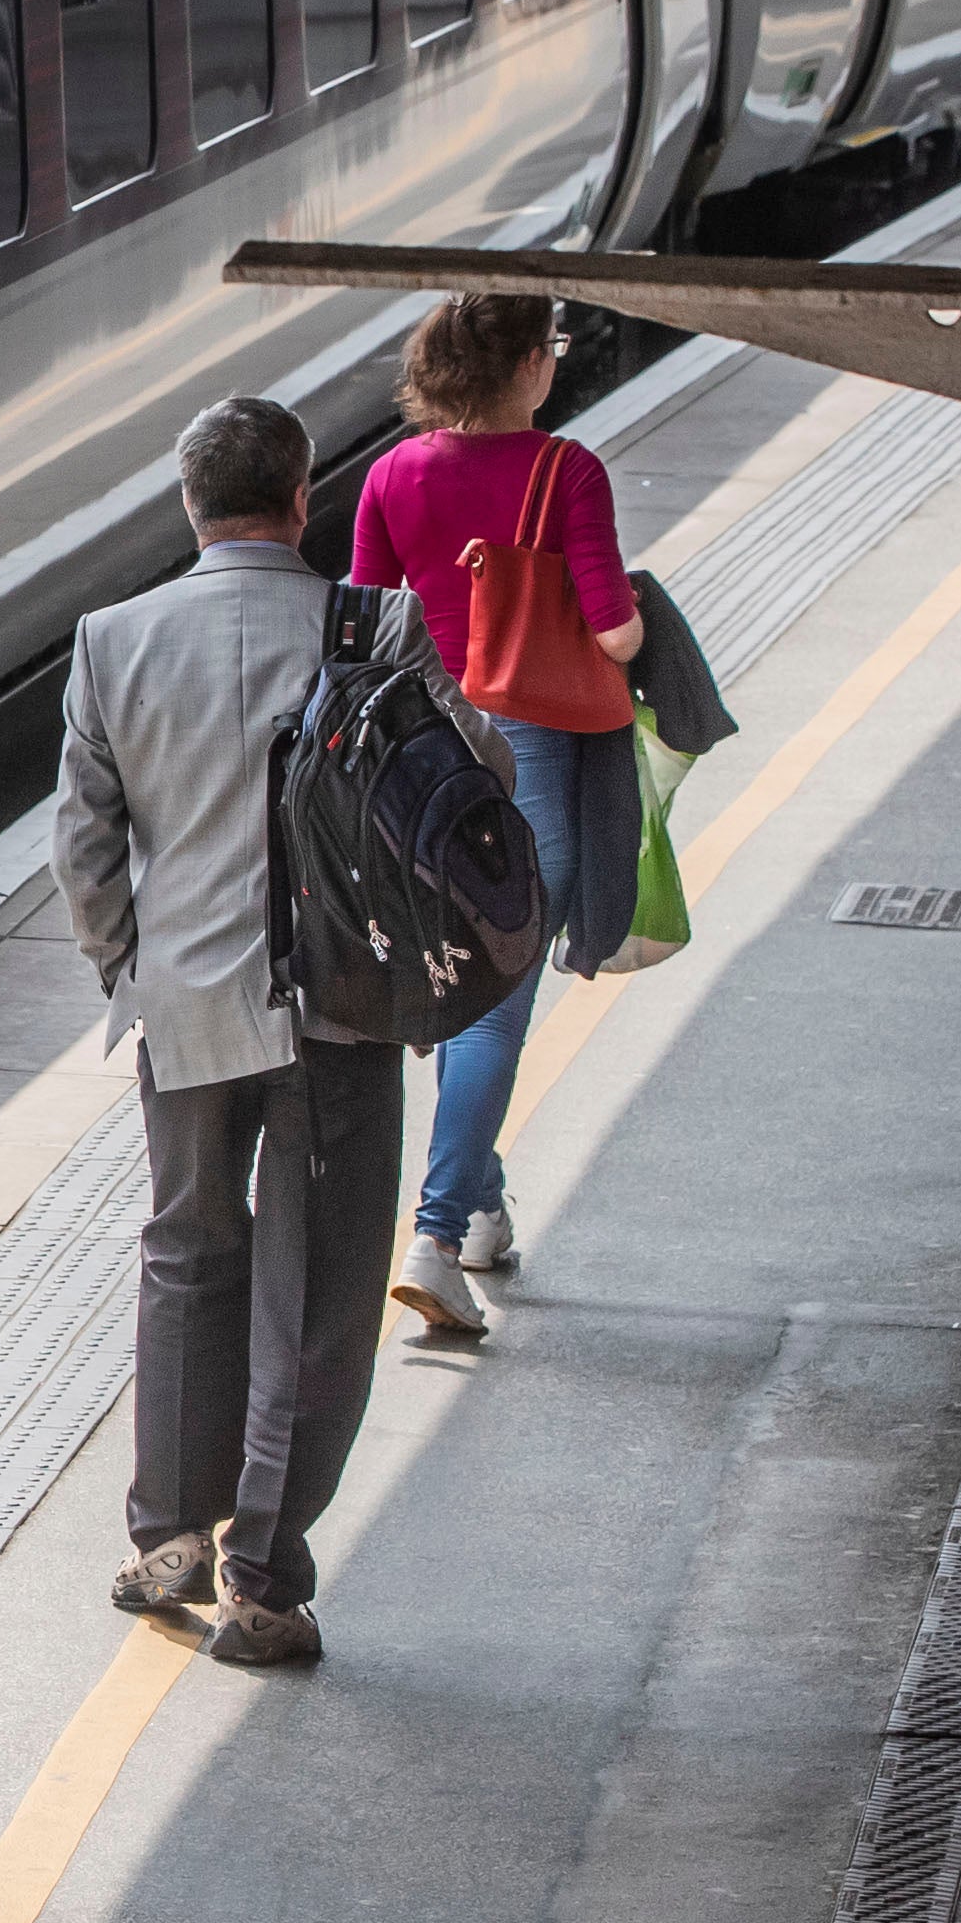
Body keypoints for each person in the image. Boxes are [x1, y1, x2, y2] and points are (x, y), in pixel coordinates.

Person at [54, 394, 395, 1667]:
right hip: (340, 1011)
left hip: (186, 1005)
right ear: (302, 500)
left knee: (188, 1253)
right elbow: (464, 781)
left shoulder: (111, 641)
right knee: (317, 1291)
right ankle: (262, 1579)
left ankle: (167, 1541)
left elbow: (83, 849)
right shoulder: (373, 628)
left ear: (188, 504)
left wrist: (128, 969)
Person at [348, 293, 641, 1340]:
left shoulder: (390, 474)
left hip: (421, 760)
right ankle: (432, 1234)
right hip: (530, 753)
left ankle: (478, 1209)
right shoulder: (568, 472)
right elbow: (609, 636)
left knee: (461, 975)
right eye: (550, 350)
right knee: (497, 996)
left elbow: (365, 628)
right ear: (524, 364)